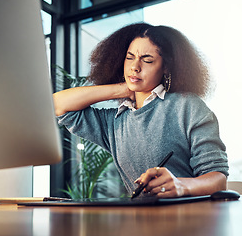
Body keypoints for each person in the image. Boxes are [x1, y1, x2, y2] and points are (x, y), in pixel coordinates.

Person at [53, 23, 229, 198]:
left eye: (147, 60)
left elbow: (218, 179)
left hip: (192, 218)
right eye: (130, 58)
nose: (135, 67)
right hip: (142, 221)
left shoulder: (187, 107)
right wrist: (122, 89)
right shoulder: (115, 121)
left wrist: (181, 185)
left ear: (166, 67)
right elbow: (58, 104)